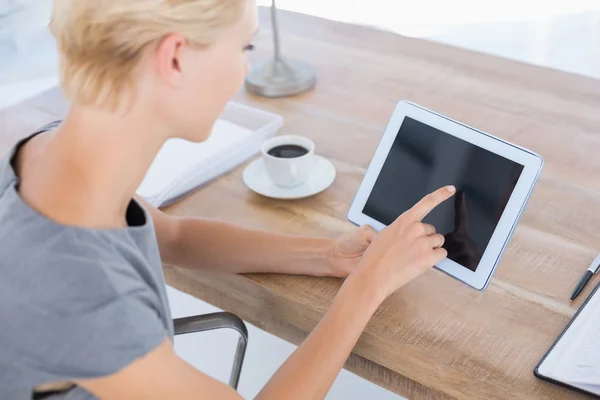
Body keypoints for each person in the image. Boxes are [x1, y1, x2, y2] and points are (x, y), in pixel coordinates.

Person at [0, 0, 455, 399]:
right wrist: (367, 287)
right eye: (244, 48)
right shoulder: (79, 291)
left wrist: (327, 256)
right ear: (175, 58)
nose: (245, 70)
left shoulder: (53, 157)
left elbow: (174, 237)